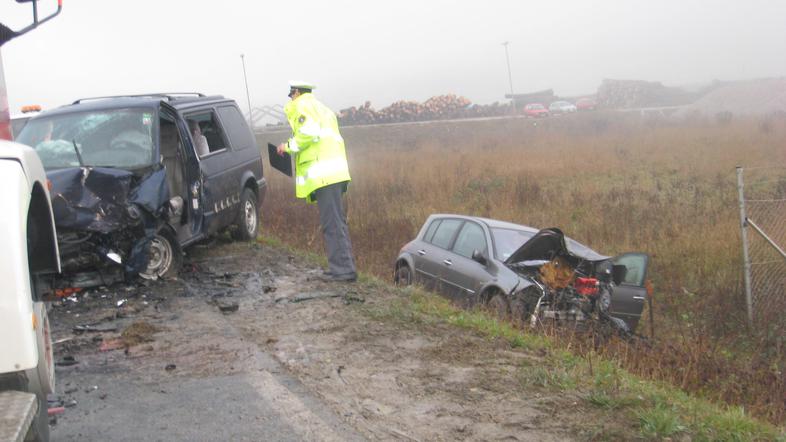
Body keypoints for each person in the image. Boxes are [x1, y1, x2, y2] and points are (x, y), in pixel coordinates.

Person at [277, 81, 356, 282]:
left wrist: (287, 146)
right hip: (334, 173)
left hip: (324, 174)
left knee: (332, 223)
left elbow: (308, 134)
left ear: (296, 92)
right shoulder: (322, 108)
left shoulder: (303, 106)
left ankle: (343, 271)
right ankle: (342, 266)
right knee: (336, 221)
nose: (291, 99)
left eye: (291, 95)